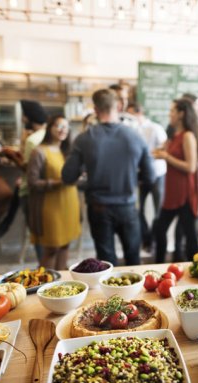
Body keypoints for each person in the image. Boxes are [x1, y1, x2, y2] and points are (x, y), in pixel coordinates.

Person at [62, 89, 155, 266]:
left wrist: (87, 176)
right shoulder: (135, 137)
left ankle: (110, 294)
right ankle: (137, 293)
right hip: (128, 205)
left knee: (106, 261)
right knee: (133, 258)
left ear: (95, 110)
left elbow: (67, 176)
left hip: (99, 207)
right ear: (118, 106)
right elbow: (150, 176)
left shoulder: (84, 139)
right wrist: (130, 177)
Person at [27, 115, 81, 270]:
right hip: (50, 206)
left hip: (70, 203)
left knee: (65, 245)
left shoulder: (69, 152)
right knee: (51, 248)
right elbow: (32, 182)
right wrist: (58, 182)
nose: (62, 129)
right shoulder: (39, 151)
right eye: (58, 125)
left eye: (65, 126)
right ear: (49, 128)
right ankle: (44, 285)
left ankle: (62, 285)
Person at [153, 98, 198, 263]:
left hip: (185, 193)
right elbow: (161, 150)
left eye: (172, 111)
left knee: (190, 236)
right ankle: (159, 266)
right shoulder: (173, 135)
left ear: (181, 114)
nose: (170, 114)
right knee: (160, 230)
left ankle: (196, 270)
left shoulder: (188, 136)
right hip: (172, 192)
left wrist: (166, 156)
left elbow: (191, 167)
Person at [2, 99, 48, 261]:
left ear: (29, 117)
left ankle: (44, 267)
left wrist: (13, 157)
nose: (22, 120)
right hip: (48, 192)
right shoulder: (47, 135)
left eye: (23, 116)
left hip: (30, 192)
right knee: (47, 233)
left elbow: (28, 171)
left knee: (37, 233)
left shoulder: (32, 140)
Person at [127, 103, 168, 251]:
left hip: (158, 173)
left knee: (159, 210)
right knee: (138, 210)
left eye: (130, 115)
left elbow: (165, 147)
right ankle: (147, 238)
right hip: (140, 175)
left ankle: (153, 240)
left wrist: (146, 153)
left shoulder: (155, 128)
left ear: (139, 113)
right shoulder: (131, 130)